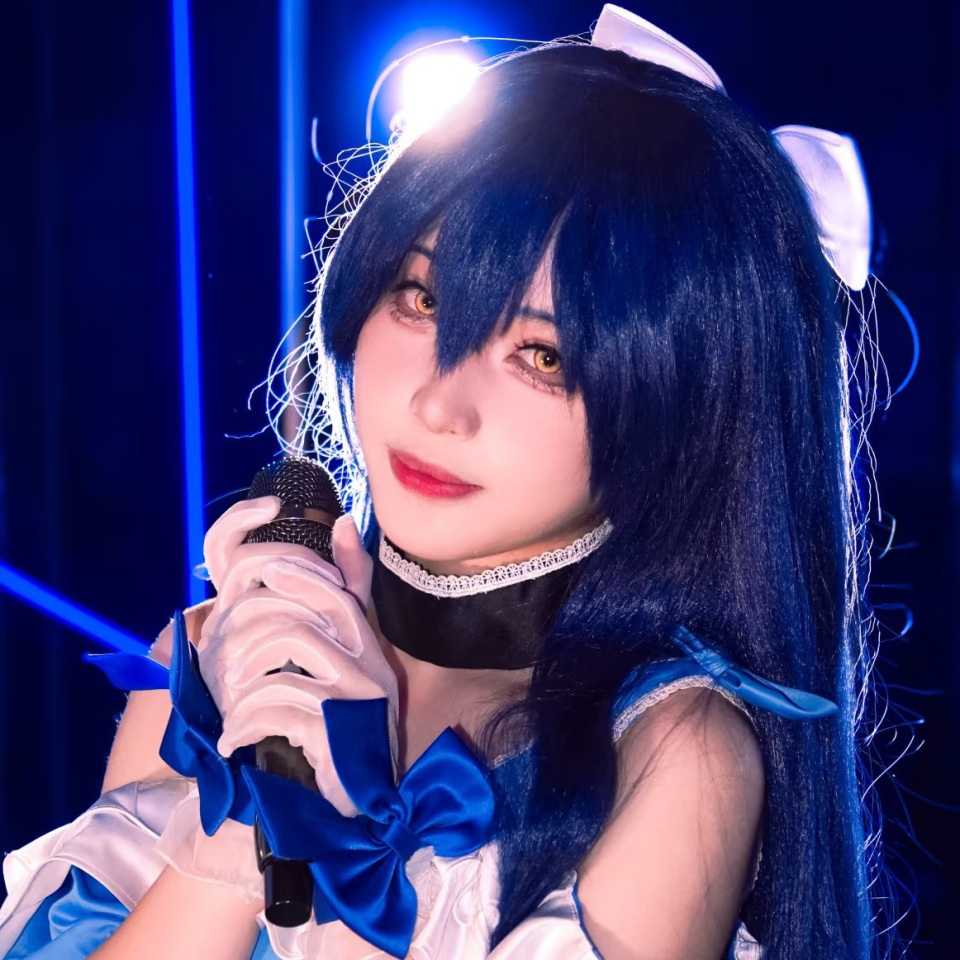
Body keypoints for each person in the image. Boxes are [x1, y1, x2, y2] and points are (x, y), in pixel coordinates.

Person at [0, 5, 898, 958]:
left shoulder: (676, 749)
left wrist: (331, 820)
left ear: (686, 418)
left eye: (544, 357)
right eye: (424, 299)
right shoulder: (216, 657)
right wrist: (244, 819)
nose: (439, 405)